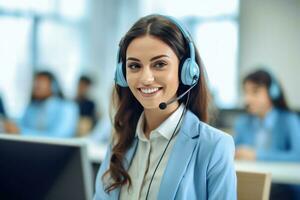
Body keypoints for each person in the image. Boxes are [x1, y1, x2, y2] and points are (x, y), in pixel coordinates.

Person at [94, 14, 236, 200]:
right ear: (122, 74)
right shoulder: (119, 141)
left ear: (186, 70)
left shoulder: (214, 146)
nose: (145, 78)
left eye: (159, 64)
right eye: (135, 66)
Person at [234, 69, 300, 199]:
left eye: (255, 92)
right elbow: (234, 151)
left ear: (272, 93)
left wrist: (256, 155)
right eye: (246, 92)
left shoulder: (288, 120)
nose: (248, 99)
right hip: (252, 182)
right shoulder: (243, 122)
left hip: (283, 186)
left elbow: (297, 156)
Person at [4, 71, 79, 138]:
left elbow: (60, 137)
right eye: (35, 83)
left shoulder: (67, 108)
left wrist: (21, 132)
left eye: (41, 83)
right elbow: (21, 124)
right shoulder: (32, 107)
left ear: (54, 87)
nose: (36, 86)